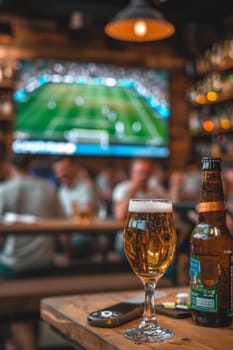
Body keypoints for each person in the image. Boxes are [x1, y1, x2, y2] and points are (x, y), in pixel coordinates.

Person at [0, 153, 64, 350]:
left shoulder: (4, 189)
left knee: (14, 309)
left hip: (14, 265)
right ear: (31, 166)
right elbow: (63, 223)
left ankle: (14, 342)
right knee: (27, 306)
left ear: (10, 167)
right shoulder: (49, 187)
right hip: (45, 262)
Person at [112, 157, 170, 259]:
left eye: (147, 172)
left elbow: (172, 210)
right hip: (128, 241)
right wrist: (133, 190)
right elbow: (120, 215)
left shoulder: (156, 190)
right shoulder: (122, 188)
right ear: (132, 172)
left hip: (154, 241)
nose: (143, 176)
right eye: (140, 172)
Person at [51, 156, 105, 259]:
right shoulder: (60, 191)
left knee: (77, 242)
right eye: (59, 170)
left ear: (74, 168)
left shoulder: (85, 187)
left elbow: (86, 213)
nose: (63, 173)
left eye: (66, 168)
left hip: (88, 233)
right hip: (67, 232)